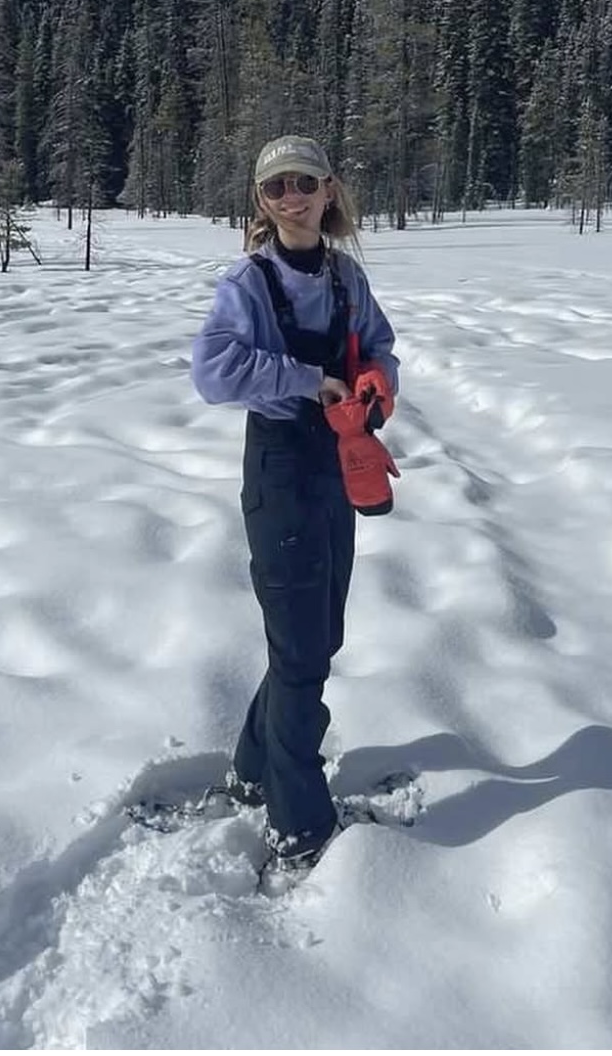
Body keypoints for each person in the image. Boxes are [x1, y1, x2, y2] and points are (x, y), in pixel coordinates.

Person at [191, 134, 399, 870]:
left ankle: (252, 771)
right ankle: (299, 824)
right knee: (302, 648)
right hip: (278, 465)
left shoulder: (345, 279)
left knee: (317, 635)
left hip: (337, 462)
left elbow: (380, 346)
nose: (292, 197)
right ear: (261, 201)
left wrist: (376, 386)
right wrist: (310, 381)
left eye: (303, 183)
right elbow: (213, 372)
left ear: (328, 190)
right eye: (276, 187)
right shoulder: (246, 283)